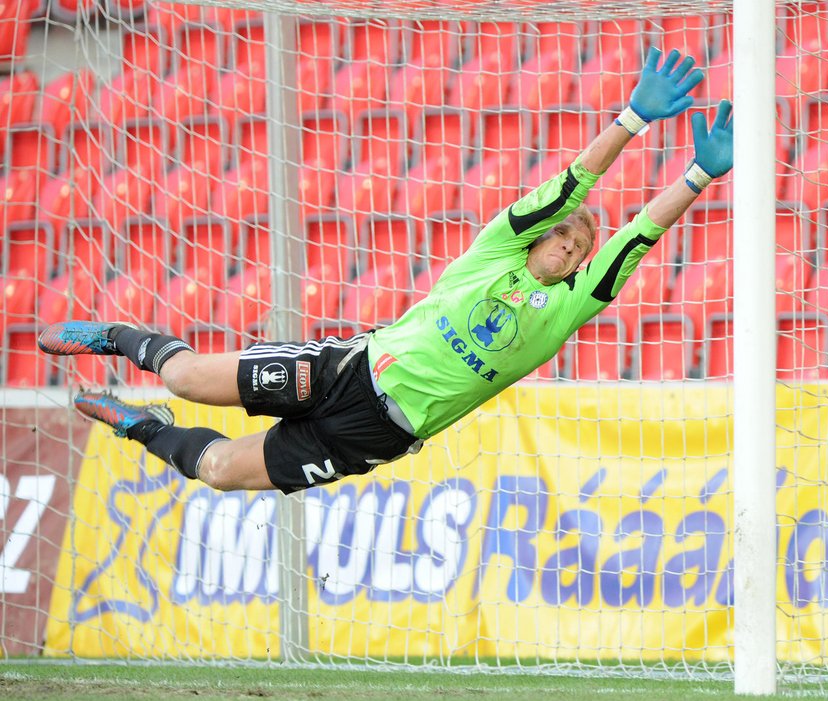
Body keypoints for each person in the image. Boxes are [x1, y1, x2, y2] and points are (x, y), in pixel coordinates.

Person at [38, 46, 734, 495]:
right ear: (537, 238)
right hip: (352, 369)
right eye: (563, 238)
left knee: (220, 471)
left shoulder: (560, 313)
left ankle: (138, 425)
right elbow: (571, 183)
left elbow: (637, 238)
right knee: (188, 376)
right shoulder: (491, 253)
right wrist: (633, 121)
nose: (570, 250)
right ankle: (115, 335)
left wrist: (698, 173)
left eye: (579, 252)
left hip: (379, 433)